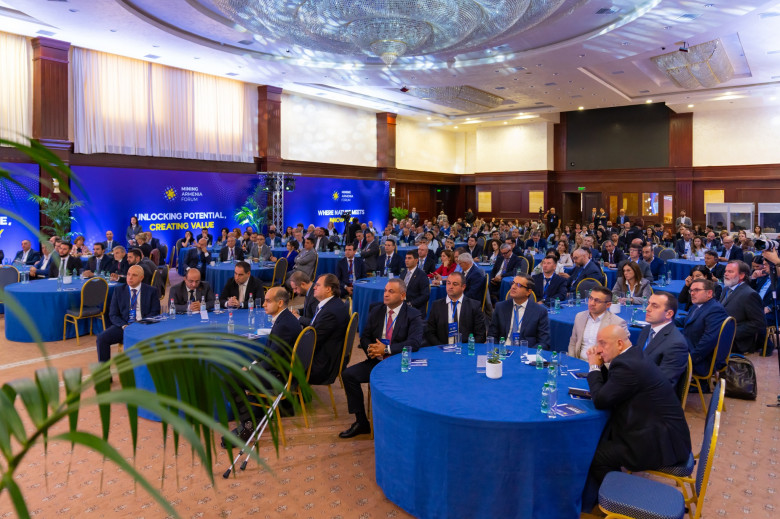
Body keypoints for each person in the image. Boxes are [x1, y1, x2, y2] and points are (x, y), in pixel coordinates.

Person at [581, 324, 692, 512]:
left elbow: (600, 400)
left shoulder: (627, 365)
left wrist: (594, 367)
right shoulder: (633, 356)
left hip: (661, 443)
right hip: (664, 431)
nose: (598, 349)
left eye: (603, 344)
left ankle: (620, 503)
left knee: (596, 456)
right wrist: (601, 367)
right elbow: (615, 385)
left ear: (619, 344)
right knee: (606, 439)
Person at [221, 286, 302, 445]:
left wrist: (251, 368)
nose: (264, 304)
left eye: (268, 301)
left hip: (280, 377)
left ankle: (248, 426)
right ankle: (254, 414)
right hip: (283, 370)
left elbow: (272, 360)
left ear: (280, 303)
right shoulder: (285, 319)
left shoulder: (284, 325)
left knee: (230, 379)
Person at [96, 265, 161, 363]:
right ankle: (105, 372)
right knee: (102, 339)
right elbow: (113, 314)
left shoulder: (151, 291)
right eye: (128, 274)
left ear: (141, 278)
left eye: (134, 275)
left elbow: (155, 312)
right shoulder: (118, 291)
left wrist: (140, 324)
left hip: (143, 326)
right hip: (124, 326)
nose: (130, 278)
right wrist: (124, 326)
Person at [635, 292, 689, 388]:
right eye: (648, 304)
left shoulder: (676, 344)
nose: (647, 309)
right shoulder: (647, 329)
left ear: (669, 314)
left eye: (654, 306)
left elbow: (663, 384)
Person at [680, 278, 730, 377]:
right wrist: (666, 320)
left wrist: (689, 360)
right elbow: (687, 321)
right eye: (691, 290)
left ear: (709, 293)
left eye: (697, 290)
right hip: (688, 349)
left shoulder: (715, 310)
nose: (692, 293)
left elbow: (708, 341)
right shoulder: (698, 305)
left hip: (701, 361)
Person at [307, 274, 350, 385]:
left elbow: (312, 342)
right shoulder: (334, 303)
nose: (314, 287)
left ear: (328, 289)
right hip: (328, 355)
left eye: (317, 285)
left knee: (280, 358)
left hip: (322, 365)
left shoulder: (330, 313)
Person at [425, 271, 487, 346]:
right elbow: (430, 332)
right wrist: (441, 347)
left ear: (463, 287)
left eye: (455, 284)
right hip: (442, 349)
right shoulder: (437, 305)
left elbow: (481, 335)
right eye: (448, 283)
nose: (450, 287)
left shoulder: (474, 306)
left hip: (466, 350)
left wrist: (467, 349)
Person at [488, 274, 550, 348]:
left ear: (528, 292)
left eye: (518, 285)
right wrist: (497, 350)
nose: (513, 287)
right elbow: (492, 335)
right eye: (513, 283)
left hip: (526, 351)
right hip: (502, 350)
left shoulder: (540, 311)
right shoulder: (500, 307)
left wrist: (528, 353)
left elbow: (544, 342)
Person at [568, 286, 628, 360]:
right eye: (590, 298)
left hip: (602, 365)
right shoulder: (579, 317)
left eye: (597, 301)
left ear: (608, 305)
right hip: (579, 361)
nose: (592, 303)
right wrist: (572, 361)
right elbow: (573, 342)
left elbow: (622, 352)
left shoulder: (617, 323)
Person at [721, 260, 766, 353]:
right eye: (725, 271)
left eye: (730, 272)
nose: (725, 274)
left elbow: (758, 323)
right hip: (720, 333)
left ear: (741, 275)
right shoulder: (726, 289)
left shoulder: (750, 294)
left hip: (737, 341)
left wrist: (731, 332)